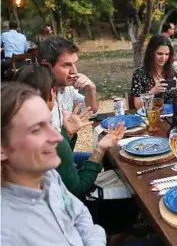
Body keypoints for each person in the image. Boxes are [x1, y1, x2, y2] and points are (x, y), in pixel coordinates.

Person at [13, 64, 138, 246]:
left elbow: (62, 161)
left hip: (45, 209)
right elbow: (79, 187)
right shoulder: (49, 138)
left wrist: (68, 134)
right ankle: (115, 235)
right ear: (51, 94)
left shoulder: (17, 130)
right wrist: (100, 150)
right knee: (131, 193)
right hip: (72, 209)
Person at [1, 82, 106, 245]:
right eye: (36, 130)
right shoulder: (8, 234)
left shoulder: (49, 176)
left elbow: (81, 216)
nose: (57, 138)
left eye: (50, 123)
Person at [38, 36, 99, 132]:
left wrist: (91, 89)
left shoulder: (67, 88)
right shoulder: (34, 98)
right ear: (46, 65)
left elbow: (90, 110)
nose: (74, 71)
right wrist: (68, 134)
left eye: (75, 64)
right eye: (67, 65)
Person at [131, 35, 177, 108]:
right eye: (159, 53)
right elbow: (138, 105)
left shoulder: (174, 71)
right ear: (151, 52)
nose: (163, 58)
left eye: (166, 54)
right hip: (150, 115)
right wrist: (152, 92)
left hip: (171, 114)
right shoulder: (139, 74)